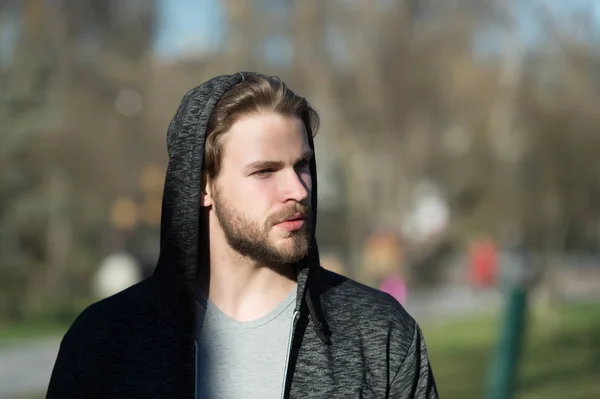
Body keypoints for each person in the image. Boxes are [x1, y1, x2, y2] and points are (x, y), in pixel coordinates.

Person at [46, 72, 438, 398]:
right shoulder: (103, 343)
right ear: (202, 187)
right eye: (265, 171)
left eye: (302, 165)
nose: (298, 190)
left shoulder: (379, 334)